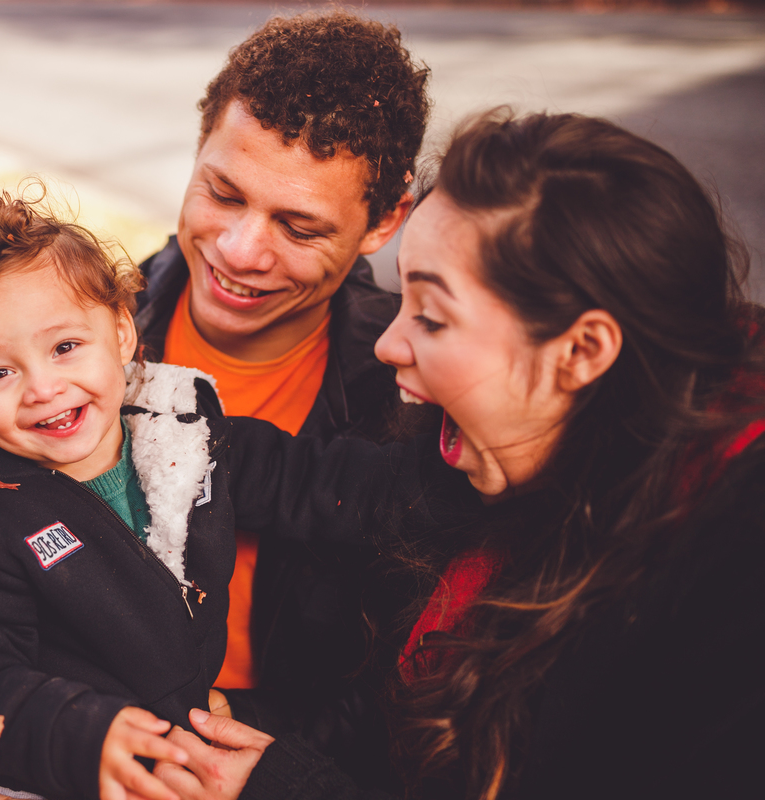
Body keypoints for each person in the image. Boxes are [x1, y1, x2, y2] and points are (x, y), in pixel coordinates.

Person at [0, 10, 430, 800]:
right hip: (37, 738)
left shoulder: (404, 399)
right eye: (223, 193)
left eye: (298, 226)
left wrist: (243, 747)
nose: (239, 250)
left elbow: (406, 690)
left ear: (387, 220)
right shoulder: (57, 331)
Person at [150, 110, 765, 800]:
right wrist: (234, 724)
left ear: (582, 352)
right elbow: (398, 727)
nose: (391, 346)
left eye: (433, 318)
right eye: (403, 293)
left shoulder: (730, 602)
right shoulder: (513, 462)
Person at [0, 189, 237, 800]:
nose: (43, 387)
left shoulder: (183, 428)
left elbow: (317, 480)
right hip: (42, 777)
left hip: (183, 746)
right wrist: (80, 734)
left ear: (123, 333)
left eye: (65, 347)